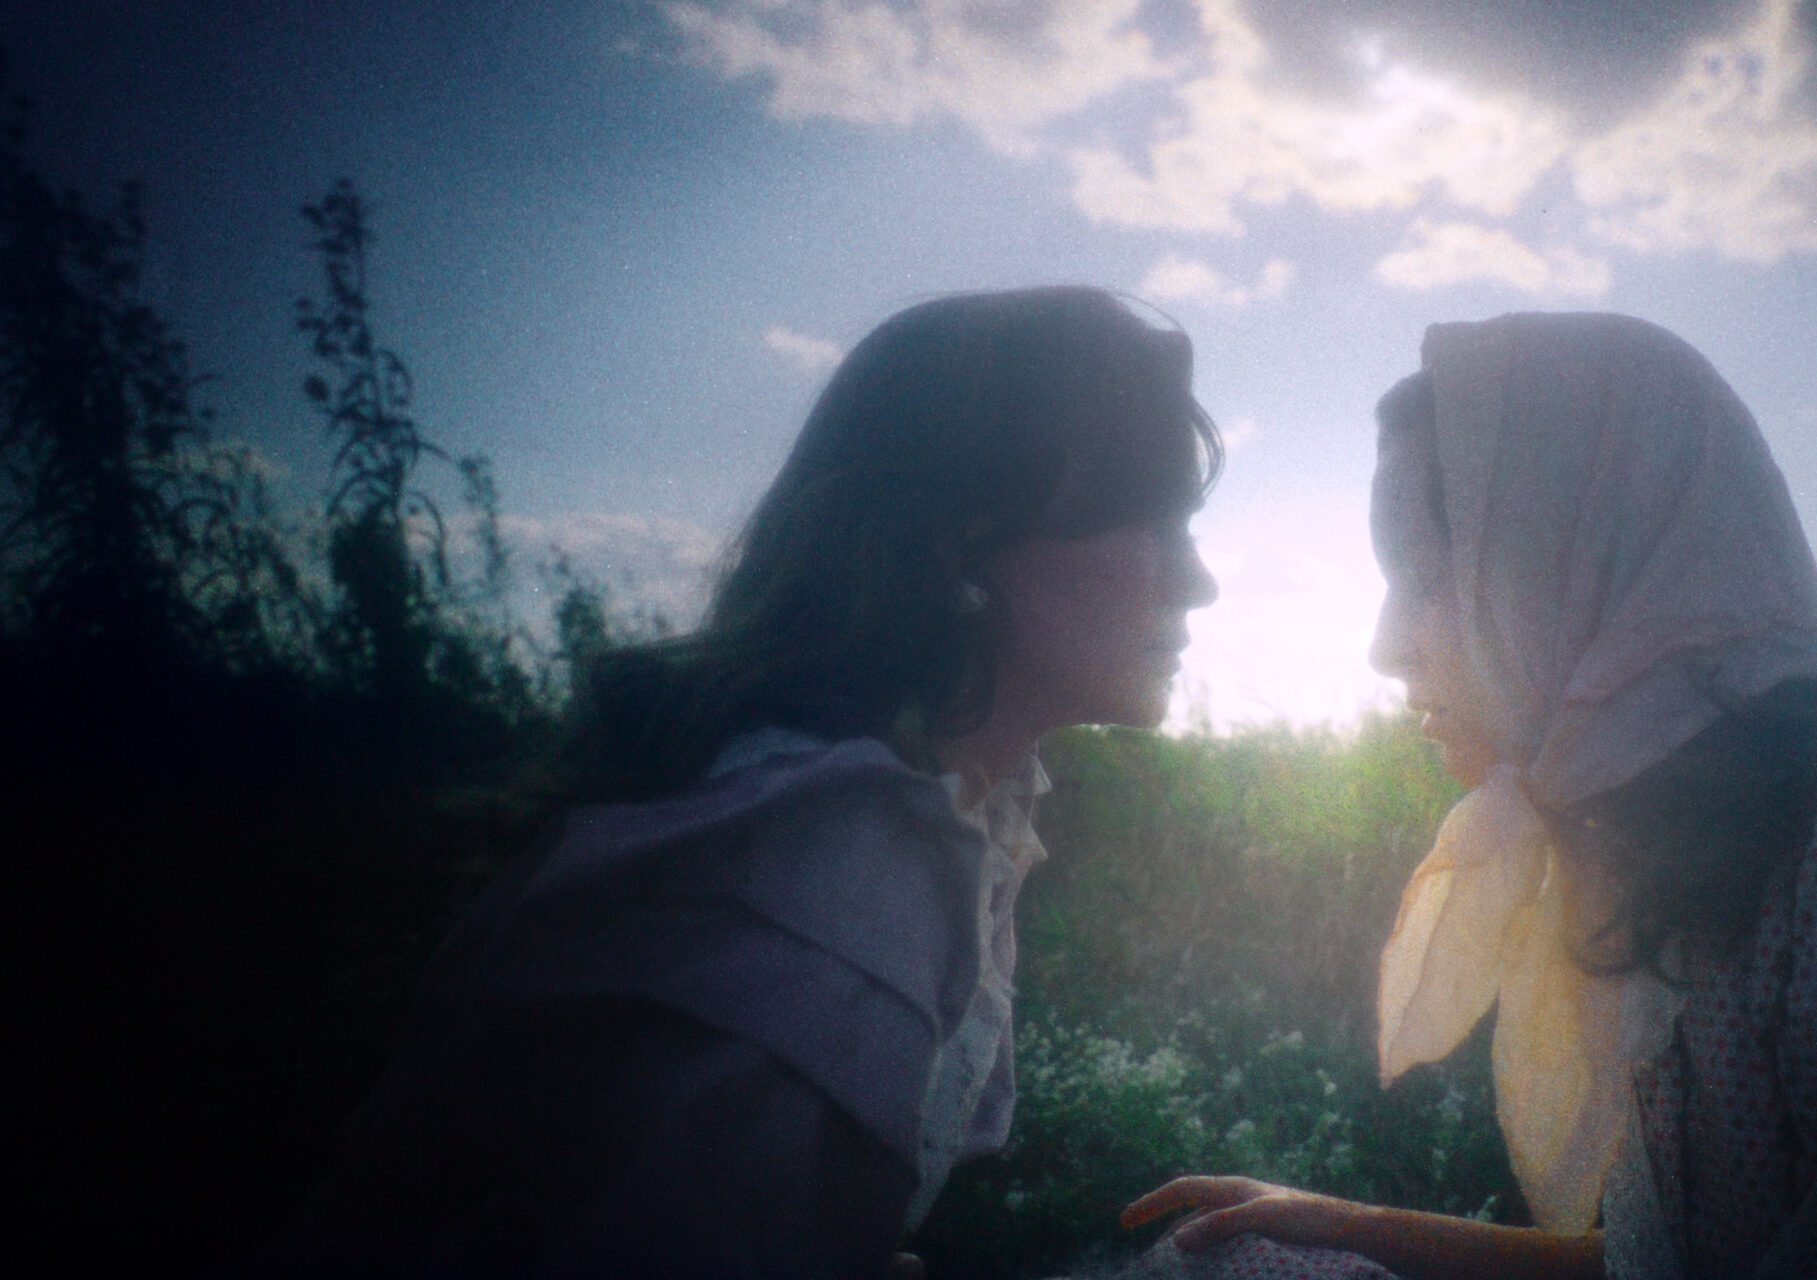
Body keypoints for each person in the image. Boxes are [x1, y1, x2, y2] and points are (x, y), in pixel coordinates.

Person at [1123, 313, 1817, 1278]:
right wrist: (1355, 1226)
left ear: (1585, 561)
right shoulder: (1666, 839)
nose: (1386, 647)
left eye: (1428, 574)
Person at [263, 286, 1221, 1279]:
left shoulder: (918, 804)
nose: (1199, 582)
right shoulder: (818, 862)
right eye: (1155, 524)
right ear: (961, 539)